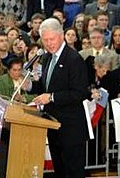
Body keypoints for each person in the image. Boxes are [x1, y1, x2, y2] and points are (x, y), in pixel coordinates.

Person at [29, 18, 88, 178]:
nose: (49, 43)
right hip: (53, 126)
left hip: (71, 128)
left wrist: (52, 97)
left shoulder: (74, 59)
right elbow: (46, 87)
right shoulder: (47, 57)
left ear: (61, 36)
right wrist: (29, 86)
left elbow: (80, 93)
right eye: (45, 40)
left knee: (73, 172)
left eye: (51, 39)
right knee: (60, 171)